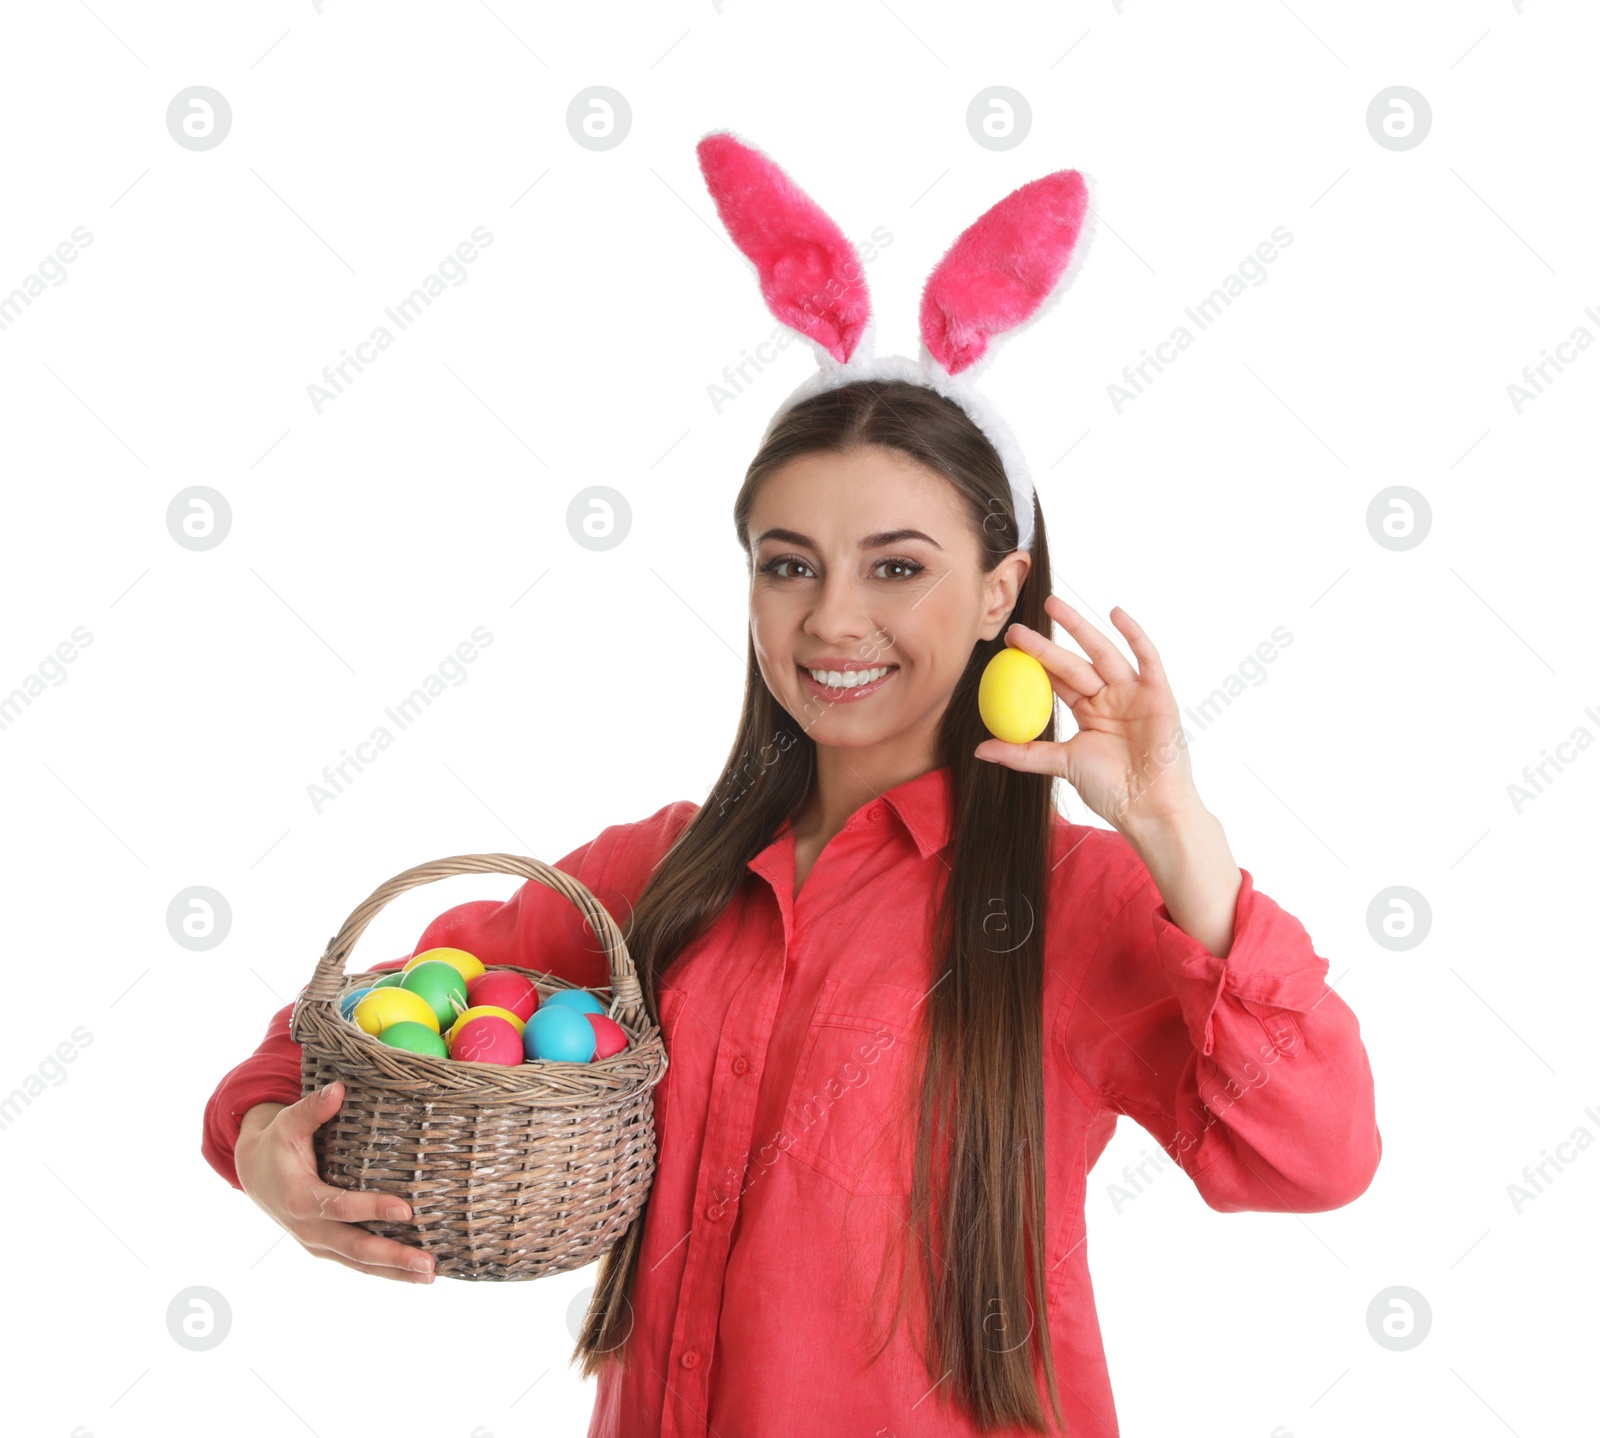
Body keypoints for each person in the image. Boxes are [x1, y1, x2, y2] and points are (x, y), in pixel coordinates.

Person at [201, 136, 1382, 1437]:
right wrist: (269, 1146)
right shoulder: (656, 877)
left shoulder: (1079, 904)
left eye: (895, 567)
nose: (831, 621)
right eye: (787, 563)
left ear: (1001, 587)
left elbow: (1316, 1158)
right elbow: (355, 1021)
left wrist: (1173, 823)